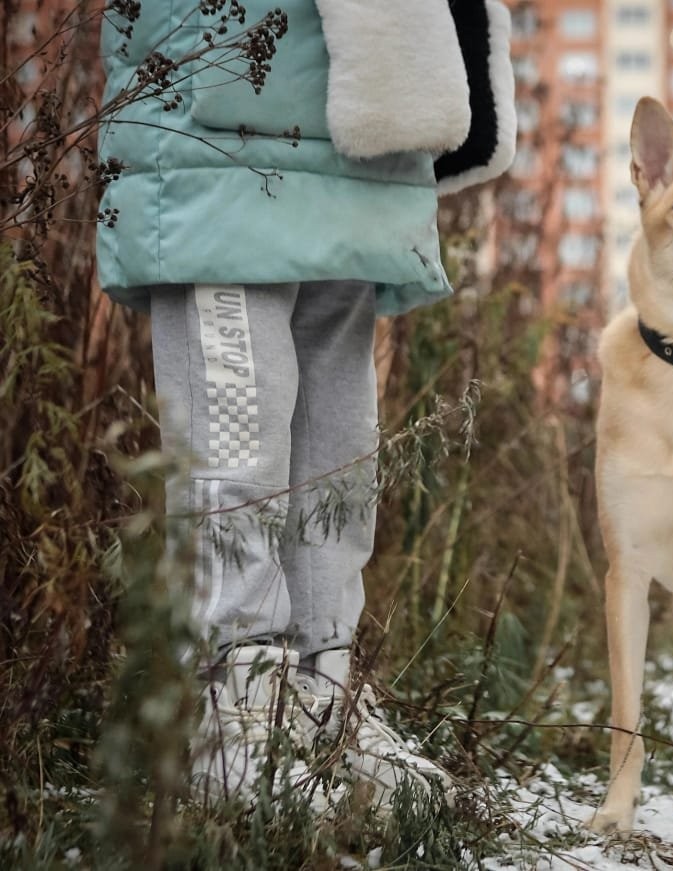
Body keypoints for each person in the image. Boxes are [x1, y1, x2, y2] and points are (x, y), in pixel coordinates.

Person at [96, 0, 516, 805]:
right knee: (239, 425)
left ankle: (324, 692)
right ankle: (234, 704)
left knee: (340, 435)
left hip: (366, 87)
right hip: (227, 81)